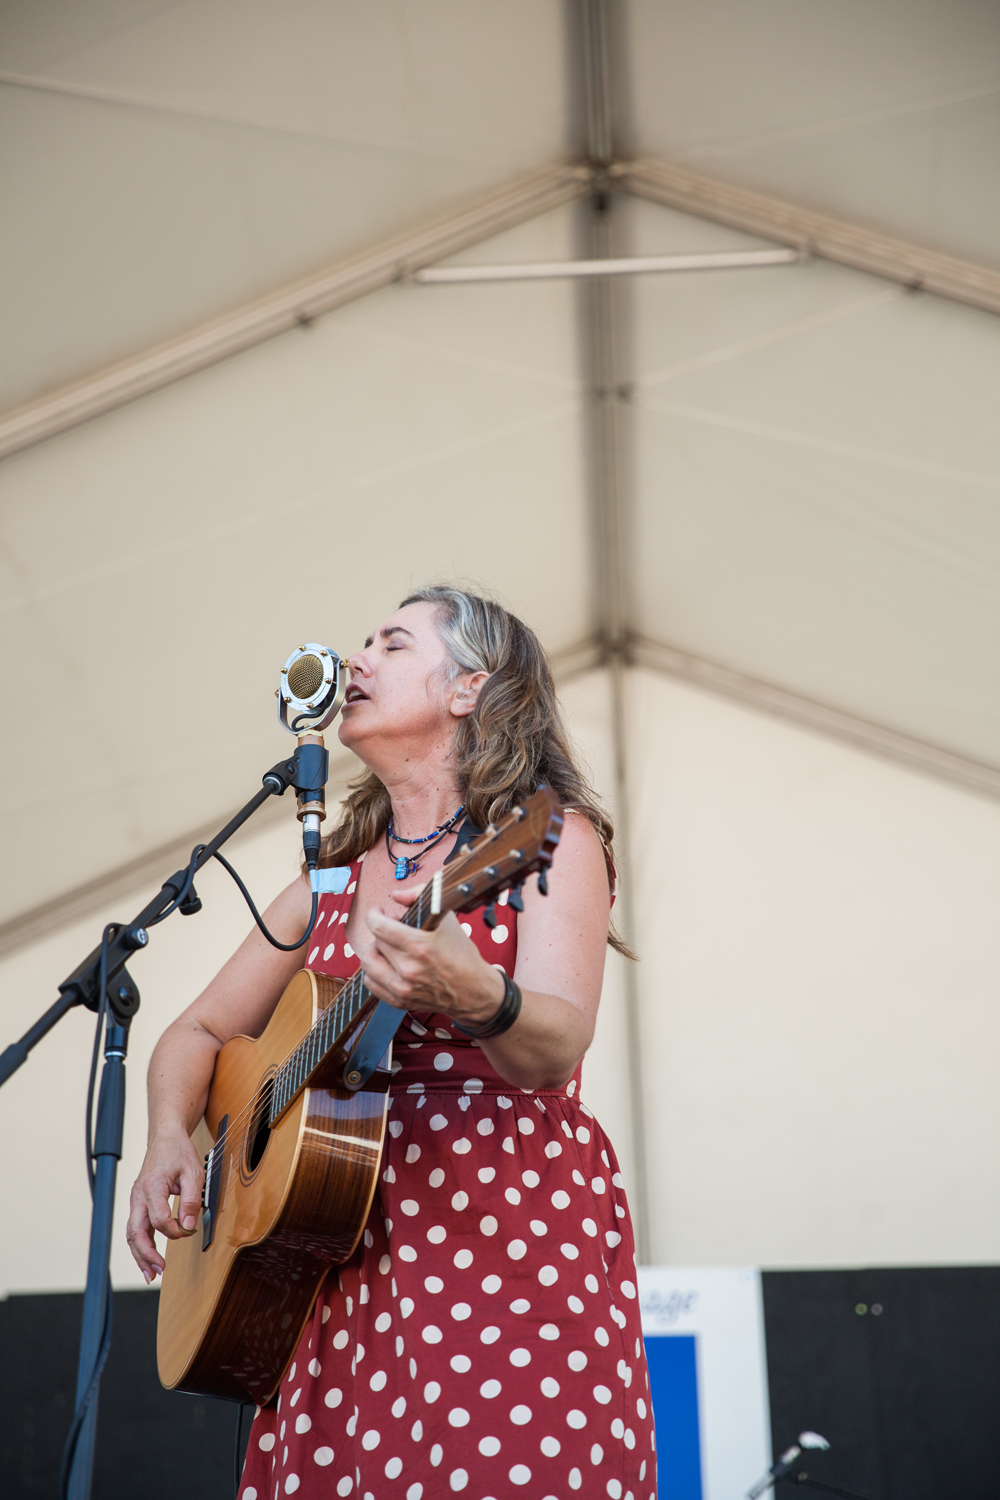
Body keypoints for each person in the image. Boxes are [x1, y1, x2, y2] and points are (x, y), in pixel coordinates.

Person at [127, 585, 655, 1500]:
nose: (356, 660)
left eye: (393, 643)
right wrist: (170, 1140)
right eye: (362, 643)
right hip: (323, 1257)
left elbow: (558, 1044)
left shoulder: (546, 839)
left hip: (497, 1225)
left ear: (468, 691)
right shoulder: (326, 880)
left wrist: (475, 995)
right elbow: (199, 1030)